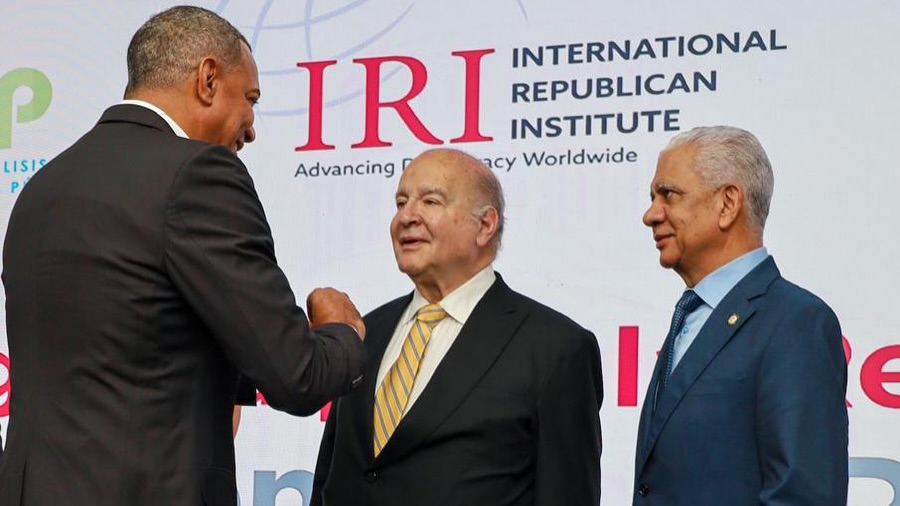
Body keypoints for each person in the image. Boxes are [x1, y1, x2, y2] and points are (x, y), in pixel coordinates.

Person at [0, 6, 366, 506]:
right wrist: (343, 333)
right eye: (250, 99)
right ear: (208, 79)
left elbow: (126, 341)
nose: (251, 129)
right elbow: (297, 376)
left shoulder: (41, 188)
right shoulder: (199, 175)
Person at [312, 148, 603, 506]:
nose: (406, 216)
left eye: (430, 201)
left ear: (485, 225)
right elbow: (330, 479)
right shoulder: (363, 333)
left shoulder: (555, 348)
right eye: (401, 202)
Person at [634, 126, 848, 505]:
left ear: (728, 204)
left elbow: (802, 497)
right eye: (653, 198)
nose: (650, 215)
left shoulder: (794, 323)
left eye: (669, 194)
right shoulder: (691, 316)